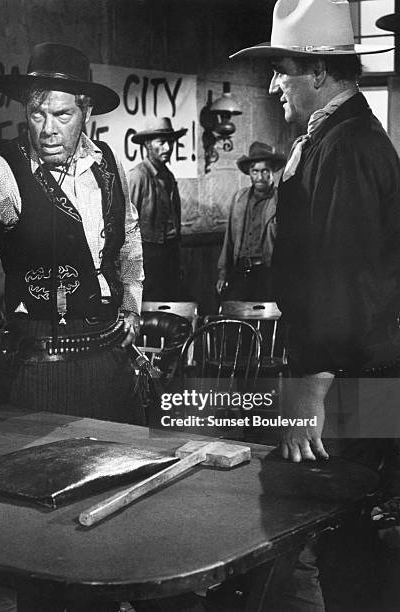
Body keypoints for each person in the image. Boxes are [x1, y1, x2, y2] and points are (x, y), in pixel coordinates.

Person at [230, 0, 400, 609]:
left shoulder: (347, 146)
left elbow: (341, 278)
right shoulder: (336, 137)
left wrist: (312, 383)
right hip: (351, 372)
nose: (274, 83)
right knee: (342, 532)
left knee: (337, 532)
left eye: (283, 70)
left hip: (348, 377)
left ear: (320, 74)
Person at [0, 42, 145, 426]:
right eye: (37, 113)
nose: (48, 130)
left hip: (111, 360)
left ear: (87, 110)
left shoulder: (109, 162)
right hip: (41, 368)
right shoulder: (1, 170)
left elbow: (129, 236)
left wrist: (132, 306)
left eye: (63, 115)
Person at [216, 141, 285, 301]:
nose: (260, 177)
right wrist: (223, 273)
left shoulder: (281, 200)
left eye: (265, 171)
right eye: (255, 171)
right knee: (236, 317)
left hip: (268, 274)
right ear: (249, 172)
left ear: (272, 171)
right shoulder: (239, 199)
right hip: (240, 272)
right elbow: (229, 241)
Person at [129, 117, 186, 301]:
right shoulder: (137, 177)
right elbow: (125, 225)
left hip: (170, 256)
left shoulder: (168, 176)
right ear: (147, 144)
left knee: (169, 307)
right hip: (147, 258)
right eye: (161, 142)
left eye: (170, 142)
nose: (168, 148)